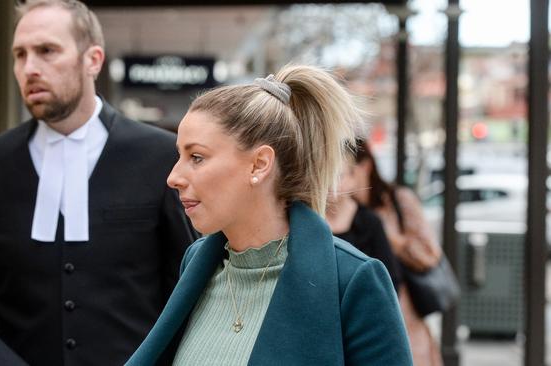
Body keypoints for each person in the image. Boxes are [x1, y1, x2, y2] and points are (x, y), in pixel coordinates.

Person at [0, 0, 196, 365]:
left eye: (46, 51)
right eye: (20, 54)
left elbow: (191, 285)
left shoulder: (161, 157)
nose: (30, 68)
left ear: (93, 60)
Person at [126, 66, 412, 365]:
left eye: (196, 157)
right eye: (179, 156)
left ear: (259, 164)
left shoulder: (353, 280)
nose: (174, 177)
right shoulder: (198, 264)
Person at [349, 140, 443, 366]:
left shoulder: (398, 200)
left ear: (366, 167)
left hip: (403, 313)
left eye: (348, 170)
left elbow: (428, 254)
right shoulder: (335, 210)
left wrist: (386, 235)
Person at [326, 163, 402, 293]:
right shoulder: (311, 221)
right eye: (326, 178)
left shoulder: (370, 222)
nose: (332, 185)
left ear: (352, 179)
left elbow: (389, 277)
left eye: (339, 177)